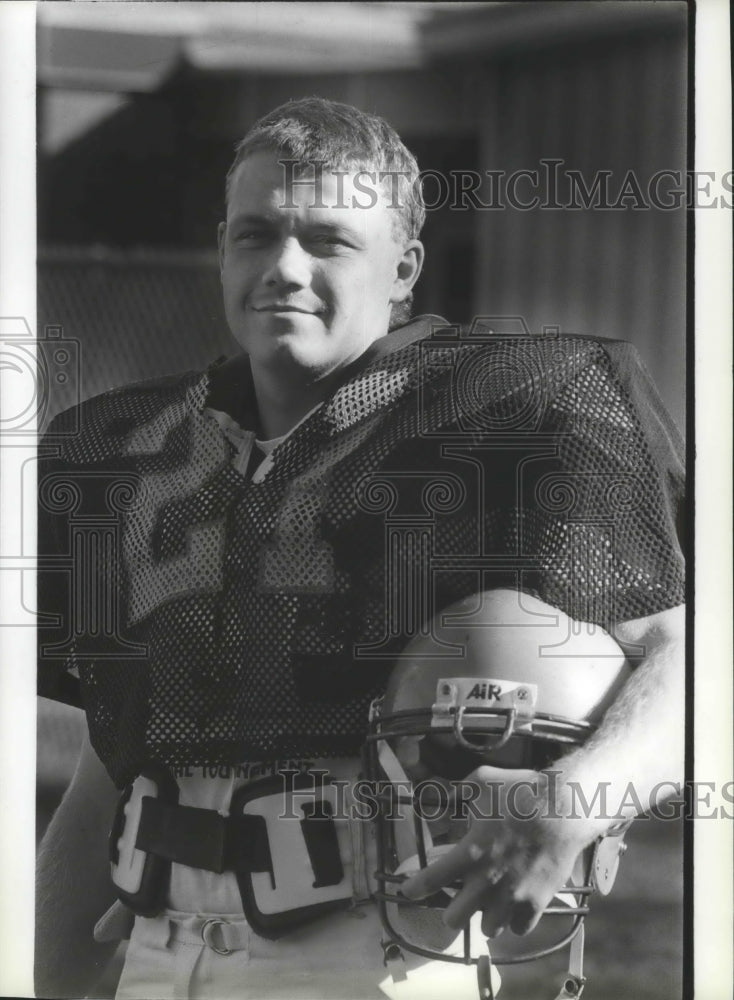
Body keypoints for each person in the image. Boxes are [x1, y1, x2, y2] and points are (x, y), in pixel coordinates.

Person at [35, 97, 685, 1000]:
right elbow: (114, 760)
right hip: (154, 947)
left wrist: (572, 800)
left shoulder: (517, 406)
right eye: (255, 235)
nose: (283, 268)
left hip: (374, 952)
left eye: (328, 240)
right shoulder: (121, 443)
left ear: (404, 267)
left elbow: (688, 658)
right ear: (222, 245)